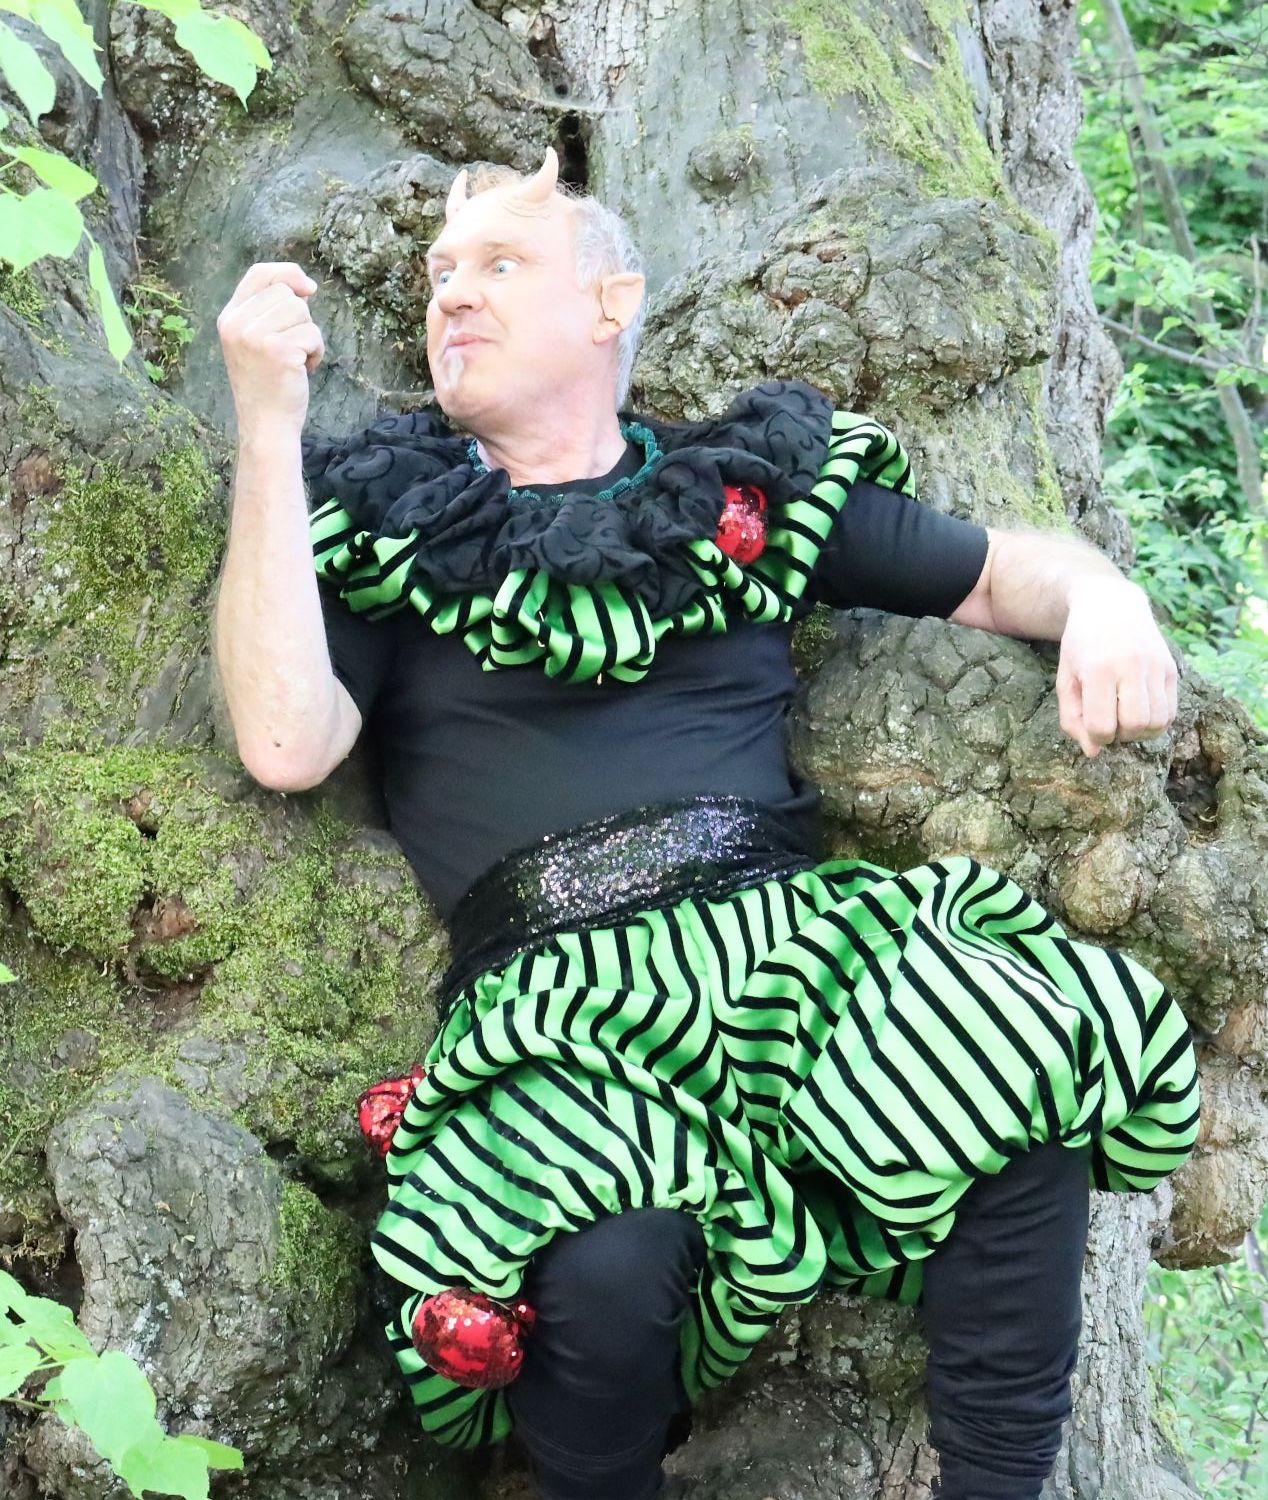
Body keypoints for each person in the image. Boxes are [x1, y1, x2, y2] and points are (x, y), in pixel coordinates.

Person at [213, 146, 1201, 1500]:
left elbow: (994, 574)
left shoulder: (736, 491)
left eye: (500, 263)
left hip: (789, 958)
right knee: (601, 1269)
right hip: (559, 1006)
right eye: (440, 274)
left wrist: (1106, 600)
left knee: (1011, 1064)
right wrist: (267, 433)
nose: (453, 295)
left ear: (609, 304)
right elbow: (283, 740)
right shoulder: (398, 521)